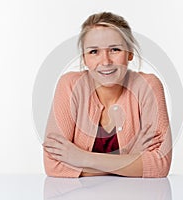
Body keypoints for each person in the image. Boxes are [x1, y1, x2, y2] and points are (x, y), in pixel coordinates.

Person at [43, 12, 172, 178]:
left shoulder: (148, 86)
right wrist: (130, 159)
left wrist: (82, 158)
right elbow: (54, 166)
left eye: (115, 50)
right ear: (84, 58)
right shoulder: (69, 85)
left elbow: (159, 166)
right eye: (94, 52)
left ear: (130, 53)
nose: (105, 62)